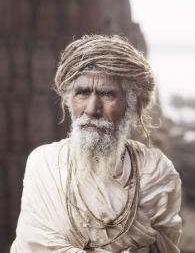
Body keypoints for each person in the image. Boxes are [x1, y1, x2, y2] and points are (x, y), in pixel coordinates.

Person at [11, 35, 182, 253]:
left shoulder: (156, 173)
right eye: (82, 93)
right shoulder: (43, 164)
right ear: (68, 100)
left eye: (108, 94)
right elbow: (31, 244)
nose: (92, 109)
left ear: (131, 105)